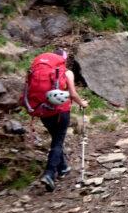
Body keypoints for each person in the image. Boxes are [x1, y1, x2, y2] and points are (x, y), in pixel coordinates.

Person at [22, 48, 88, 192]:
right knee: (58, 141)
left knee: (55, 139)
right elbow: (72, 93)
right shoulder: (66, 72)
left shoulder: (39, 70)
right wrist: (82, 103)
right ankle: (49, 173)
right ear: (63, 59)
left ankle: (63, 168)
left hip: (42, 110)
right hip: (60, 111)